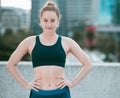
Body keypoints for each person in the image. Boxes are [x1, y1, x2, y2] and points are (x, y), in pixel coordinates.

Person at [6, 1, 93, 98]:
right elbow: (10, 65)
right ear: (40, 21)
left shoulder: (67, 42)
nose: (49, 24)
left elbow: (88, 64)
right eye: (45, 20)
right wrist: (26, 84)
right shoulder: (29, 42)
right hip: (38, 94)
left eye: (52, 20)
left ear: (58, 21)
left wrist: (72, 83)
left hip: (61, 93)